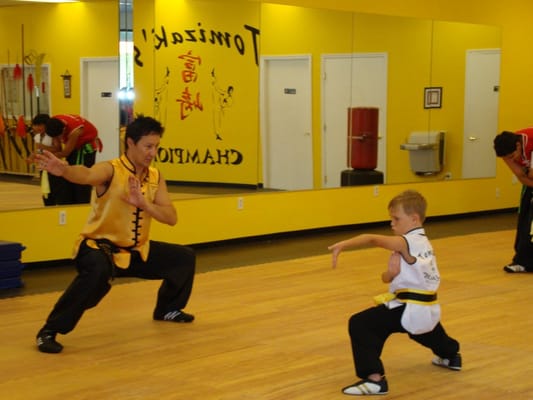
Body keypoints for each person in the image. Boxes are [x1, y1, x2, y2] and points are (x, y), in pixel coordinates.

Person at [33, 115, 196, 354]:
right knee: (97, 272)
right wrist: (65, 171)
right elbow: (86, 175)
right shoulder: (111, 170)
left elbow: (171, 218)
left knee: (183, 258)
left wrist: (145, 204)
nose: (152, 152)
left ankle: (168, 309)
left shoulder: (155, 177)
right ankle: (49, 331)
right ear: (130, 143)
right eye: (147, 146)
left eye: (156, 147)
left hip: (136, 250)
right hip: (99, 248)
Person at [328, 190, 461, 396]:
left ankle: (374, 379)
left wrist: (343, 245)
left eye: (396, 218)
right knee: (426, 332)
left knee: (361, 324)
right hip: (427, 309)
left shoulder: (407, 242)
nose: (392, 223)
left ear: (414, 219)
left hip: (411, 308)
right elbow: (389, 278)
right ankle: (451, 355)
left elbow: (372, 239)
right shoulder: (423, 243)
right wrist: (390, 273)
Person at [494, 129, 533, 273]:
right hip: (530, 185)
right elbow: (521, 176)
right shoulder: (506, 147)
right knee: (525, 221)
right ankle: (522, 260)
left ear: (518, 145)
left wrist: (528, 172)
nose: (511, 159)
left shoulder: (531, 141)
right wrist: (527, 172)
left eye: (512, 156)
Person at [45, 114, 103, 204]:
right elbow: (58, 148)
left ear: (63, 130)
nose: (58, 139)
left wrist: (47, 156)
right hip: (74, 148)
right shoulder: (53, 123)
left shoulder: (75, 131)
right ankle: (70, 203)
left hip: (86, 149)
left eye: (59, 136)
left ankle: (81, 205)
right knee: (69, 177)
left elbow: (65, 152)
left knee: (81, 179)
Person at [28, 114, 67, 206]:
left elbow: (58, 149)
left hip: (53, 166)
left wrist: (42, 148)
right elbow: (37, 150)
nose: (38, 127)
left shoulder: (52, 135)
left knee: (55, 189)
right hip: (43, 167)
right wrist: (31, 157)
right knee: (46, 190)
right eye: (36, 125)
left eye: (40, 125)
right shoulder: (37, 137)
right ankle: (48, 206)